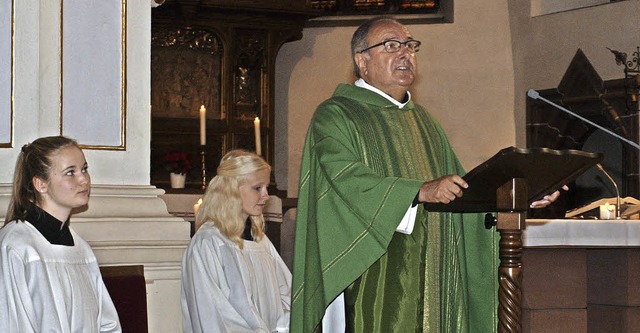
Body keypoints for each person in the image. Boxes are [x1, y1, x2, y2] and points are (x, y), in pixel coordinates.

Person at [290, 16, 561, 332]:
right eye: (391, 46)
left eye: (410, 46)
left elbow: (462, 191)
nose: (405, 54)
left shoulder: (425, 123)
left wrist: (513, 196)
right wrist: (418, 191)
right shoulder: (336, 115)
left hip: (435, 271)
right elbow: (345, 179)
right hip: (376, 272)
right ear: (361, 62)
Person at [0, 136, 121, 332]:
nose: (84, 179)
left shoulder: (80, 248)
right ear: (41, 184)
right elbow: (12, 324)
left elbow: (106, 324)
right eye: (70, 172)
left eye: (84, 169)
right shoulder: (16, 246)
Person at [181, 149, 291, 333]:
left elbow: (286, 294)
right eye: (258, 188)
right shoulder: (208, 243)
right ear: (231, 189)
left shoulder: (260, 242)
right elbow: (212, 315)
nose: (266, 195)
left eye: (266, 188)